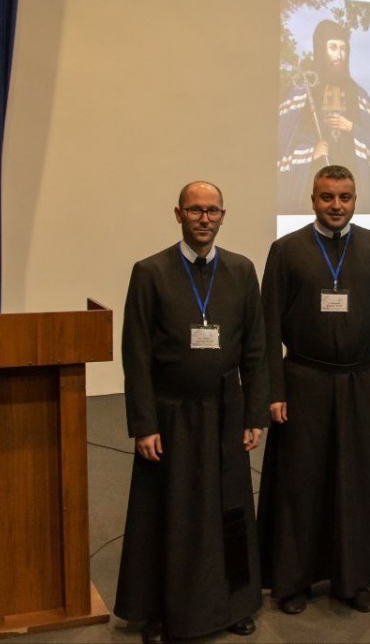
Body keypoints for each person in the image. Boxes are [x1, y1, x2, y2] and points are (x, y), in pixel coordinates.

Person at [114, 181, 268, 644]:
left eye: (212, 210)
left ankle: (235, 604)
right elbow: (136, 354)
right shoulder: (151, 272)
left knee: (230, 510)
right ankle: (161, 611)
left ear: (223, 216)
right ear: (179, 214)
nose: (204, 218)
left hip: (225, 413)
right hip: (172, 416)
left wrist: (254, 415)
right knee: (171, 514)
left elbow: (255, 350)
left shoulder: (242, 271)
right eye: (195, 210)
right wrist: (144, 425)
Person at [257, 164, 370, 615]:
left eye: (345, 197)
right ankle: (293, 580)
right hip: (303, 382)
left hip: (360, 381)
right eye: (327, 197)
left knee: (357, 483)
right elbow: (268, 326)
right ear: (313, 200)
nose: (336, 205)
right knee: (300, 484)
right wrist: (273, 390)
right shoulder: (286, 250)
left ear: (355, 200)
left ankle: (353, 577)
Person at [276, 20, 370, 214]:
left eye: (343, 49)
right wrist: (310, 152)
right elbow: (281, 146)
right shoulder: (302, 91)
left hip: (354, 204)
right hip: (309, 202)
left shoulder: (359, 95)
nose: (339, 55)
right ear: (321, 49)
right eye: (332, 48)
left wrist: (351, 128)